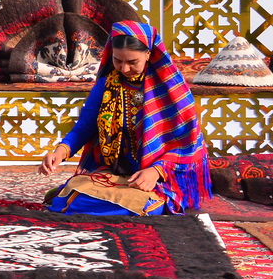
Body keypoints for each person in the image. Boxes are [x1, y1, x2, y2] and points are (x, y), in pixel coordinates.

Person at [38, 20, 210, 215]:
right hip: (115, 172)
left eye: (132, 62)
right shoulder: (107, 85)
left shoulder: (172, 91)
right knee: (69, 201)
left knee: (144, 206)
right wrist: (59, 153)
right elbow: (85, 127)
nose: (124, 69)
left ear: (148, 54)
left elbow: (188, 145)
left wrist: (156, 171)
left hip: (161, 176)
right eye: (117, 60)